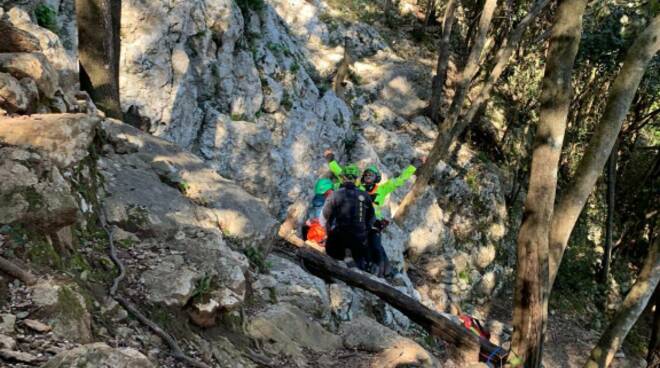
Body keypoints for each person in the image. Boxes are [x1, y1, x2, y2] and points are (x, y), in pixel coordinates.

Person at [324, 149, 425, 276]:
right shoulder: (357, 187)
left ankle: (385, 271)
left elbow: (401, 180)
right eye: (366, 175)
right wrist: (330, 158)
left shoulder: (383, 189)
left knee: (376, 246)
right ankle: (373, 269)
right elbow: (340, 173)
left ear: (376, 178)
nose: (367, 177)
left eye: (371, 175)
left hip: (374, 224)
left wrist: (415, 165)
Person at [322, 164, 375, 271]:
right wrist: (364, 232)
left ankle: (337, 263)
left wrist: (328, 233)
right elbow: (371, 219)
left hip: (339, 238)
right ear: (356, 180)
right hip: (360, 241)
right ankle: (360, 267)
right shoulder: (365, 195)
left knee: (332, 249)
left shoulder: (335, 194)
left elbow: (324, 216)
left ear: (343, 178)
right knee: (359, 257)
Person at [302, 178, 334, 245]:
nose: (323, 196)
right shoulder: (319, 198)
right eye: (323, 194)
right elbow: (316, 210)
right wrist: (313, 219)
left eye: (325, 193)